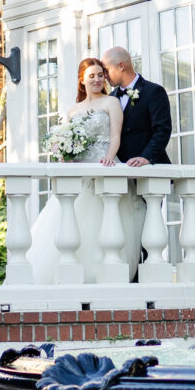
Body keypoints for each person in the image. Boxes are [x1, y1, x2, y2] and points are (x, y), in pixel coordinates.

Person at [26, 57, 141, 283]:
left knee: (100, 225)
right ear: (82, 80)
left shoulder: (111, 103)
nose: (97, 79)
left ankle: (97, 277)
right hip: (79, 171)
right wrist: (63, 155)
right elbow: (67, 141)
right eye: (91, 76)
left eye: (100, 75)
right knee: (71, 224)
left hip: (103, 167)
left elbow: (115, 136)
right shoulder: (72, 110)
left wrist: (109, 158)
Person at [100, 46, 172, 165]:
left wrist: (146, 158)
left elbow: (162, 130)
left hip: (151, 170)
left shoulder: (154, 91)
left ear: (121, 66)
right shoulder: (111, 98)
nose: (105, 76)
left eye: (106, 70)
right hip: (120, 172)